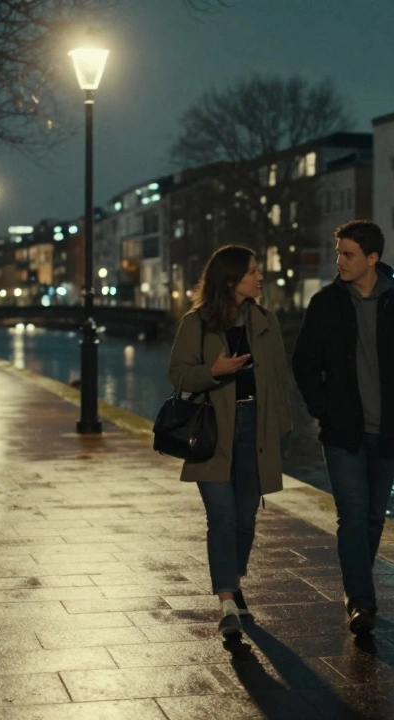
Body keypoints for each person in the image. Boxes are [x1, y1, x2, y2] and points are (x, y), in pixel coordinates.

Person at [292, 220, 394, 636]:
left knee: (373, 517)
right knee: (352, 514)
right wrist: (324, 410)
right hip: (343, 432)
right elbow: (304, 364)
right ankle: (360, 599)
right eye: (338, 252)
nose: (339, 261)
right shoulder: (325, 304)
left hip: (388, 431)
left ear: (373, 258)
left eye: (348, 254)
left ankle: (359, 588)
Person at [167, 245, 293, 639]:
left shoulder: (266, 321)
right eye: (252, 271)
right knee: (221, 517)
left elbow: (279, 381)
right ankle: (226, 604)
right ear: (230, 279)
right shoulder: (196, 323)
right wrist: (214, 371)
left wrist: (281, 433)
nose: (259, 277)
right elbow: (178, 375)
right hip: (213, 431)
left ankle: (233, 582)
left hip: (256, 428)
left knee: (245, 519)